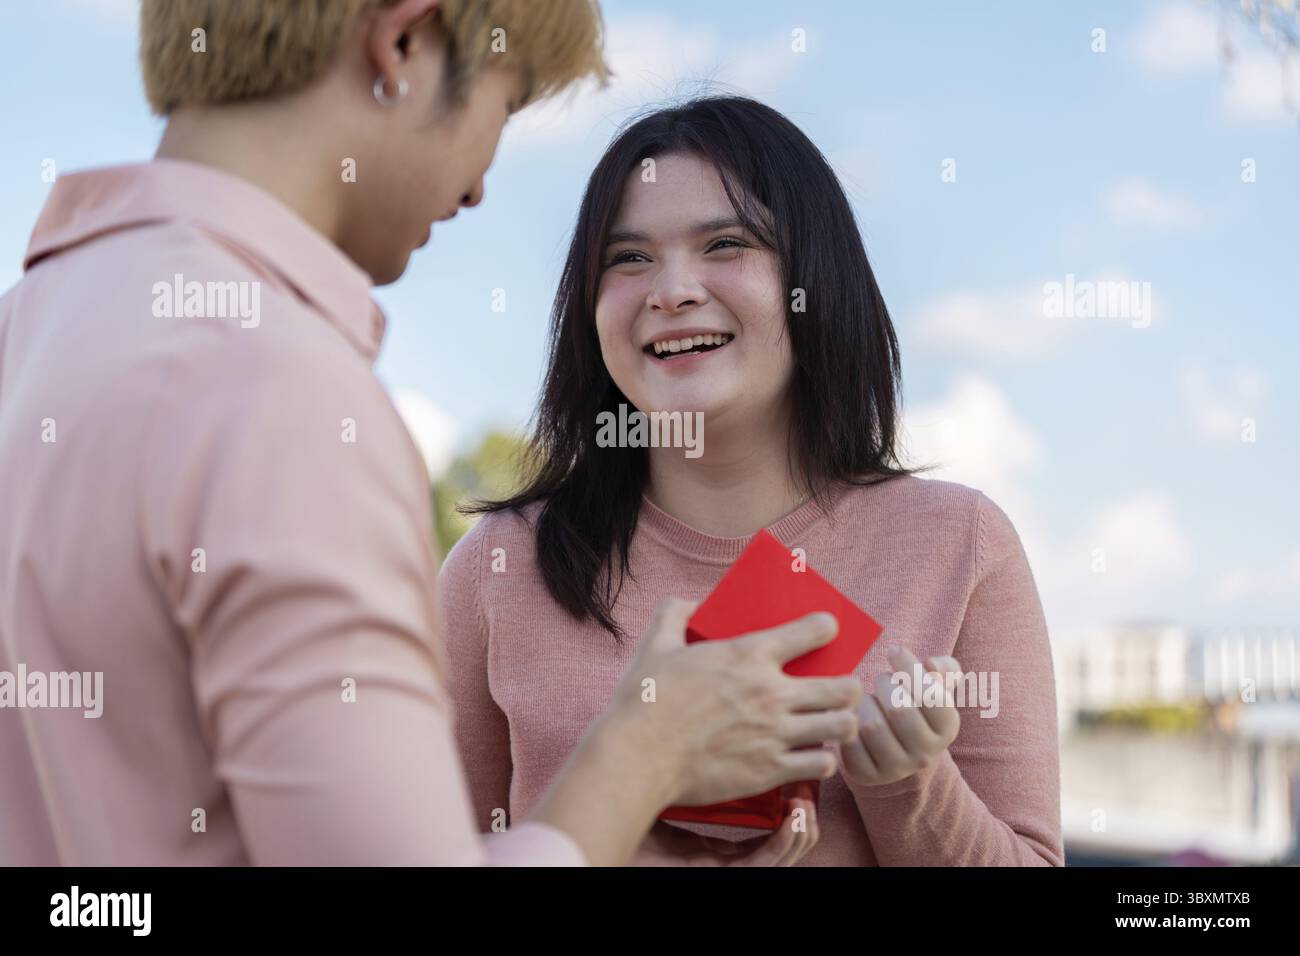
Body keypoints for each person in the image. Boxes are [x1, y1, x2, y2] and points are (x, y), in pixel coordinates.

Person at [0, 1, 864, 867]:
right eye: (507, 102)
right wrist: (641, 753)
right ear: (404, 39)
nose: (482, 181)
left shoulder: (28, 328)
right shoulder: (280, 387)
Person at [442, 95, 1065, 865]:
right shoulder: (497, 567)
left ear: (816, 277)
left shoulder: (960, 543)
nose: (671, 290)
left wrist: (907, 785)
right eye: (629, 258)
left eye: (726, 244)